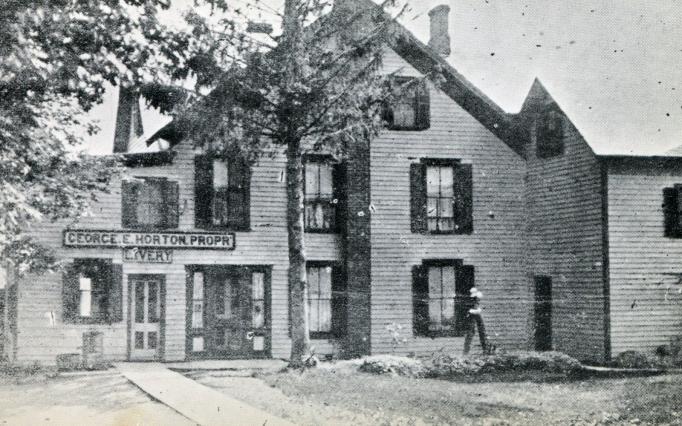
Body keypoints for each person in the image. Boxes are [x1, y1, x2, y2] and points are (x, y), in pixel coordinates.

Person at [463, 287, 489, 355]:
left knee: (482, 331)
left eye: (477, 298)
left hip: (477, 315)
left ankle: (485, 349)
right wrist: (475, 311)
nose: (476, 300)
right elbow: (469, 310)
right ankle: (466, 352)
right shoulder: (469, 303)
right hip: (471, 317)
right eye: (474, 298)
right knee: (470, 333)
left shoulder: (477, 303)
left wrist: (478, 310)